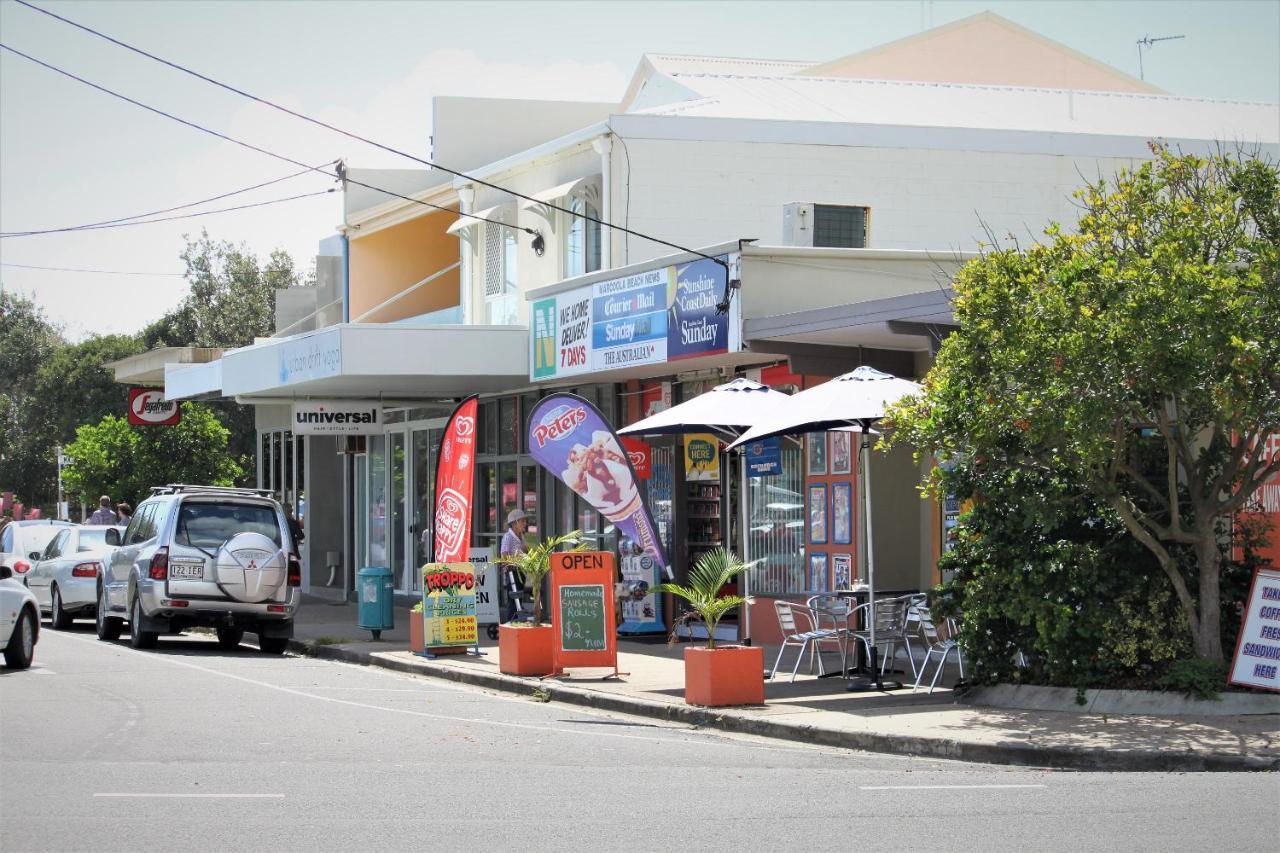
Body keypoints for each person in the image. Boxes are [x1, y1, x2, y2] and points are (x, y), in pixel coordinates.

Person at [500, 509, 529, 622]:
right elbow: (504, 555)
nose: (525, 524)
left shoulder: (521, 536)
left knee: (519, 598)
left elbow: (524, 551)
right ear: (514, 523)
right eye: (522, 521)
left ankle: (517, 622)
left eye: (524, 521)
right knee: (514, 599)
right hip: (512, 572)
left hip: (521, 571)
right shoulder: (508, 537)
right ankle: (510, 622)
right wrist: (513, 562)